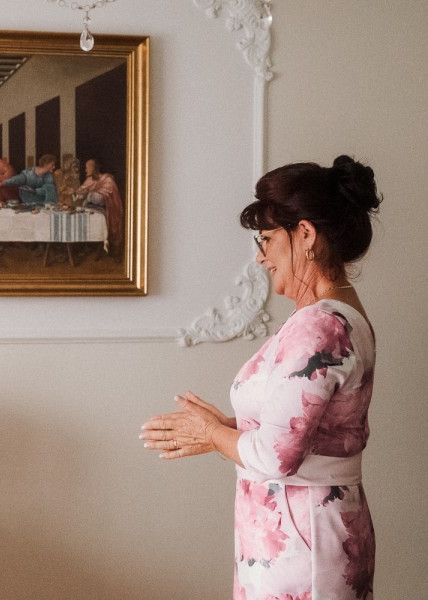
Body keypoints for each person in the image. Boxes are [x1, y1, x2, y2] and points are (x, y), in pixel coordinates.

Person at [139, 155, 381, 600]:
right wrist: (228, 429)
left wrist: (212, 434)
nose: (260, 255)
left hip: (303, 541)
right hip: (304, 531)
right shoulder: (331, 316)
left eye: (267, 239)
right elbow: (310, 430)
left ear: (305, 234)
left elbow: (275, 457)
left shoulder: (319, 325)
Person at [76, 159, 125, 250]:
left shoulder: (107, 180)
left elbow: (99, 199)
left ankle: (98, 247)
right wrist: (81, 194)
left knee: (95, 221)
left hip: (104, 211)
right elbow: (79, 193)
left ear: (93, 168)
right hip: (88, 209)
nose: (85, 170)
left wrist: (88, 194)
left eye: (87, 167)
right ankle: (84, 246)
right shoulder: (89, 179)